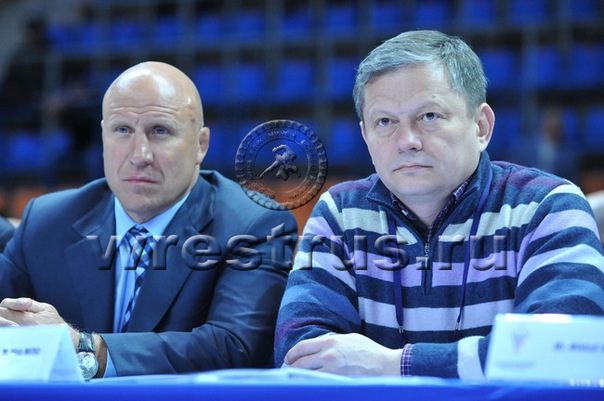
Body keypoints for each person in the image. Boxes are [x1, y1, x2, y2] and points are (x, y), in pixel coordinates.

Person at [274, 30, 604, 380]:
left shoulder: (548, 207)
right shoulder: (340, 214)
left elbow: (561, 352)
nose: (407, 141)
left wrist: (394, 365)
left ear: (481, 127)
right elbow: (300, 354)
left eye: (429, 116)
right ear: (366, 136)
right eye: (385, 122)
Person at [0, 61, 298, 378]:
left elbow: (233, 346)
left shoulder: (254, 224)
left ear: (201, 145)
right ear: (103, 136)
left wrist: (86, 348)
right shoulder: (46, 220)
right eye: (122, 130)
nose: (139, 154)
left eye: (160, 131)